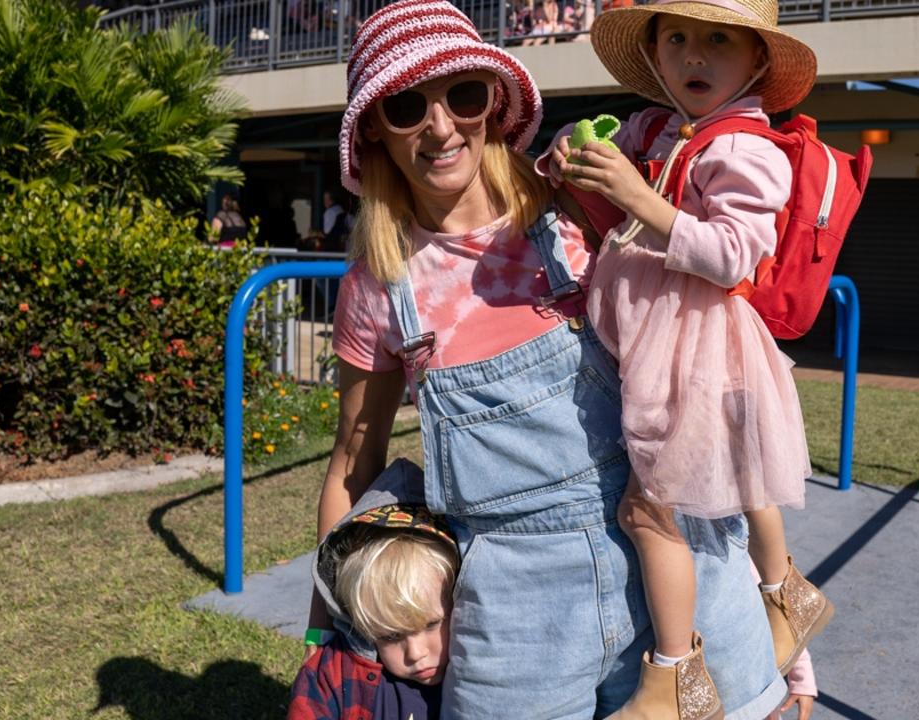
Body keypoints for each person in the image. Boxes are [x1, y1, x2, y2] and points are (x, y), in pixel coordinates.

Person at [309, 1, 788, 717]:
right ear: (375, 127)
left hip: (676, 571)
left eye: (461, 95)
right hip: (510, 617)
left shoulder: (577, 210)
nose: (441, 127)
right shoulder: (379, 285)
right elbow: (355, 455)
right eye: (407, 107)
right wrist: (335, 623)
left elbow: (707, 348)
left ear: (492, 102)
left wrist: (780, 594)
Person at [541, 1, 832, 715]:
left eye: (717, 41)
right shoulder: (658, 129)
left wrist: (641, 196)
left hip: (696, 348)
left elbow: (734, 253)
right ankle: (788, 599)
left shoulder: (746, 150)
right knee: (742, 479)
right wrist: (570, 163)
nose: (693, 55)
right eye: (677, 39)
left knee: (651, 510)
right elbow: (617, 212)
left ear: (757, 61)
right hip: (663, 343)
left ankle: (675, 678)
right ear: (654, 53)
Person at [289, 460, 456, 720]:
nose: (416, 653)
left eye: (432, 624)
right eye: (390, 636)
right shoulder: (331, 678)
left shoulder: (483, 671)